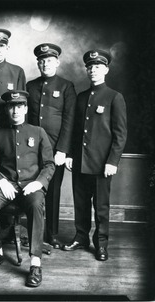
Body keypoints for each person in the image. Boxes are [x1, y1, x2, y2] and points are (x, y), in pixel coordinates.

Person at [0, 90, 55, 287]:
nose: (16, 110)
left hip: (31, 184)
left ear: (25, 108)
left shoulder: (38, 132)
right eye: (12, 106)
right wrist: (1, 180)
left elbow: (49, 164)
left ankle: (35, 263)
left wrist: (39, 182)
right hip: (6, 184)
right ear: (7, 109)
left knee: (36, 204)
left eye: (20, 106)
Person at [63, 50, 127, 261]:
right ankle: (81, 237)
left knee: (100, 206)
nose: (93, 70)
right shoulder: (81, 98)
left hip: (102, 165)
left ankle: (101, 244)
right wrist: (71, 155)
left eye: (98, 67)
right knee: (80, 204)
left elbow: (120, 134)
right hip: (80, 161)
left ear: (106, 70)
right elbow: (74, 131)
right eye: (90, 67)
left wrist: (112, 161)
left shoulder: (114, 97)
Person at [26, 43, 76, 249]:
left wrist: (63, 150)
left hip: (56, 150)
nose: (45, 63)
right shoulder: (31, 86)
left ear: (57, 62)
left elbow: (69, 119)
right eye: (42, 60)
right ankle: (30, 232)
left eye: (49, 60)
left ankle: (52, 234)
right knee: (29, 189)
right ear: (38, 63)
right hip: (32, 148)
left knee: (53, 192)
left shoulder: (66, 86)